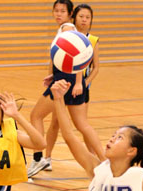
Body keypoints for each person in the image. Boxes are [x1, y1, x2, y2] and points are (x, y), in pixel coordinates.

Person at [28, 0, 105, 177]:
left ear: (70, 14)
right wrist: (54, 75)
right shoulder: (65, 29)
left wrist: (79, 82)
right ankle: (104, 162)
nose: (58, 14)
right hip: (64, 78)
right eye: (56, 11)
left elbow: (77, 56)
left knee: (36, 115)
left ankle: (39, 158)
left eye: (62, 11)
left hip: (65, 82)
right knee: (80, 124)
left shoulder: (67, 29)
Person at [45, 3, 100, 158]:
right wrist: (51, 76)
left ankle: (94, 156)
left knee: (82, 125)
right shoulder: (68, 34)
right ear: (75, 17)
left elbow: (96, 67)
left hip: (80, 86)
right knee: (56, 122)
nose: (84, 20)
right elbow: (53, 59)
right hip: (64, 83)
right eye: (81, 16)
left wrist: (84, 83)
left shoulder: (92, 40)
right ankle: (46, 157)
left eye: (87, 17)